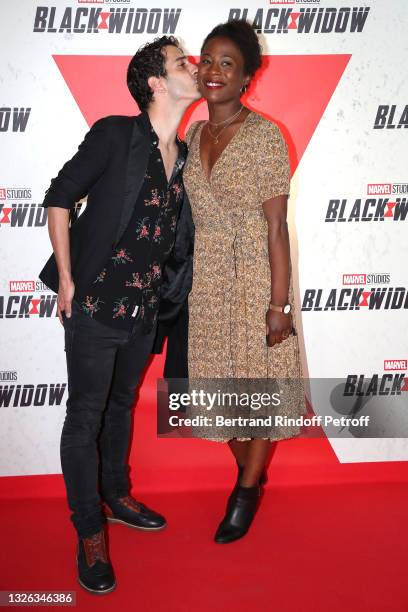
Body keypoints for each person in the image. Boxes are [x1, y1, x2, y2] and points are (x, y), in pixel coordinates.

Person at [39, 36, 199, 594]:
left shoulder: (186, 153)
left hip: (144, 311)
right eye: (183, 62)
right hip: (94, 305)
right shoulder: (113, 134)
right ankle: (88, 532)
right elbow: (59, 199)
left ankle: (115, 495)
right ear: (155, 82)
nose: (194, 67)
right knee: (85, 417)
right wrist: (65, 277)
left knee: (122, 406)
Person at [182, 20, 305, 543]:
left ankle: (245, 491)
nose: (213, 70)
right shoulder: (192, 133)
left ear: (247, 76)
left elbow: (277, 228)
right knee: (218, 392)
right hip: (207, 281)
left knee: (262, 388)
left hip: (257, 275)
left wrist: (279, 306)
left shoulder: (265, 136)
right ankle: (250, 473)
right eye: (207, 59)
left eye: (227, 62)